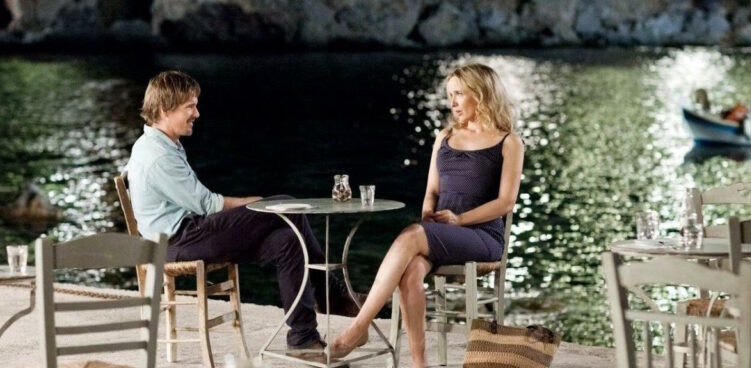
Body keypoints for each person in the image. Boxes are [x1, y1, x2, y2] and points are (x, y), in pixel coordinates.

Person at [125, 70, 358, 359]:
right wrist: (253, 203)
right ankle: (332, 294)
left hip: (186, 234)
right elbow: (206, 204)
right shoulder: (158, 155)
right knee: (286, 205)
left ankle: (302, 337)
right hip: (180, 241)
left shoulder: (159, 145)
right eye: (190, 107)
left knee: (287, 240)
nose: (197, 113)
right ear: (164, 109)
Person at [329, 63, 525, 367]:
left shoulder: (508, 142)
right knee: (411, 270)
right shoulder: (444, 137)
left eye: (459, 94)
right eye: (450, 95)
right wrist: (427, 217)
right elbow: (432, 191)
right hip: (441, 234)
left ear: (482, 94)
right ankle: (420, 364)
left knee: (411, 235)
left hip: (482, 236)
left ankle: (358, 328)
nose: (453, 102)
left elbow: (506, 203)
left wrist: (459, 220)